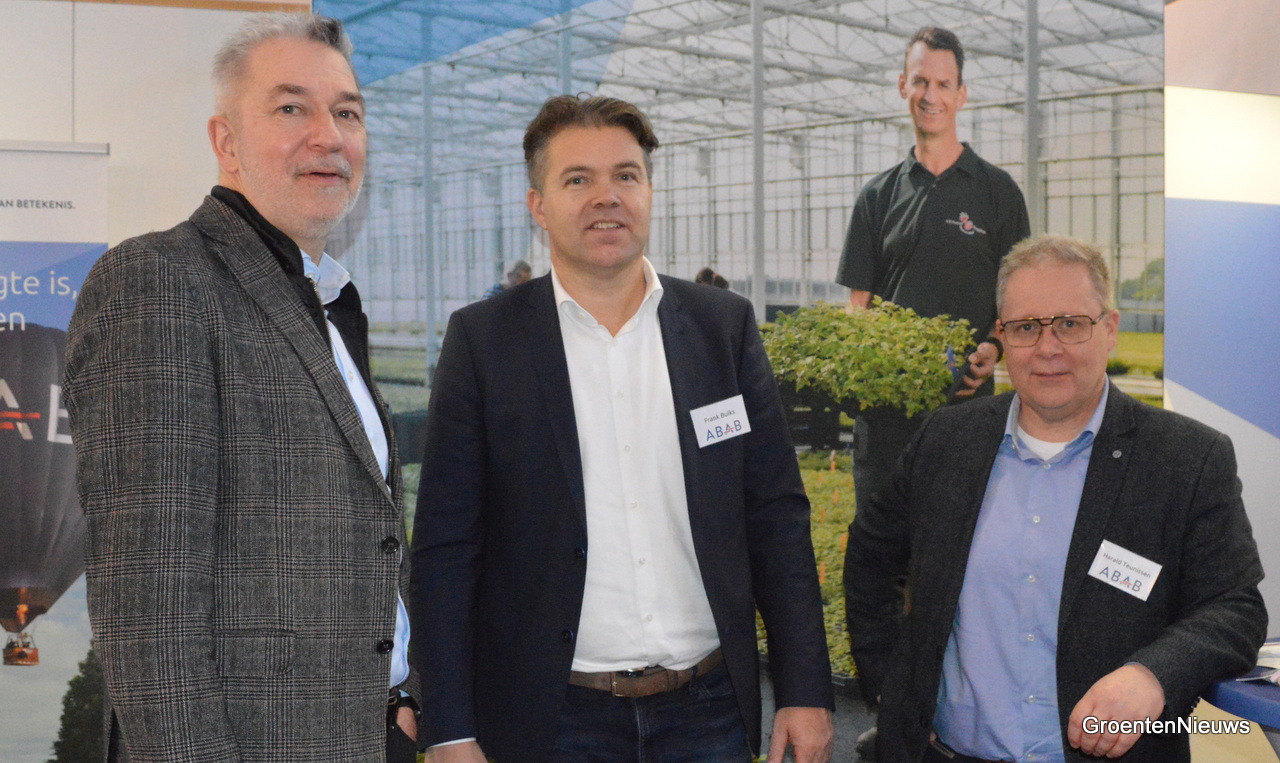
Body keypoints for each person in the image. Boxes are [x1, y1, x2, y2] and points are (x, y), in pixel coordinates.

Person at [410, 94, 835, 763]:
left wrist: (805, 689)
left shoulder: (721, 328)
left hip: (709, 712)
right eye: (578, 179)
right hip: (553, 719)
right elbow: (445, 546)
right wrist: (450, 728)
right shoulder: (485, 342)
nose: (606, 196)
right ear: (538, 205)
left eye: (626, 175)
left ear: (649, 192)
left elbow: (775, 515)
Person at [62, 13, 420, 761]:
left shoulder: (326, 303)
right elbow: (149, 607)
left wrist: (403, 698)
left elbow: (365, 533)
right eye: (292, 107)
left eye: (347, 113)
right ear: (225, 141)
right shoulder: (160, 281)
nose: (329, 135)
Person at [844, 234, 1267, 762]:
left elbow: (1234, 607)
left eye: (1070, 323)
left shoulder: (1186, 458)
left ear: (1109, 329)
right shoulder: (945, 441)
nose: (1048, 348)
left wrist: (1153, 675)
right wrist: (894, 686)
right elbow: (870, 557)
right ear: (1002, 336)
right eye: (1026, 327)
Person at [834, 26, 1031, 520]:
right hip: (885, 416)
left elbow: (1019, 297)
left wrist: (994, 346)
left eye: (944, 84)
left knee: (956, 542)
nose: (931, 95)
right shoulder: (877, 196)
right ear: (903, 85)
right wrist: (854, 365)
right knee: (881, 545)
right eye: (921, 81)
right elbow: (858, 305)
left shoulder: (998, 193)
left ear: (961, 95)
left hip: (967, 412)